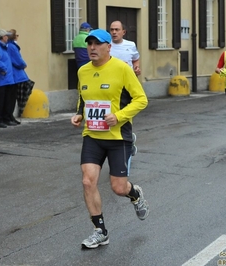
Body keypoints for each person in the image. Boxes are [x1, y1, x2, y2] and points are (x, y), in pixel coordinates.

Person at [70, 29, 149, 249]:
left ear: (108, 47)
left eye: (97, 44)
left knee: (118, 187)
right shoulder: (83, 71)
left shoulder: (122, 69)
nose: (92, 48)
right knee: (88, 181)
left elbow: (141, 100)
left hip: (118, 137)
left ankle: (135, 193)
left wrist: (119, 116)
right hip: (93, 136)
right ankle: (100, 231)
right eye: (89, 44)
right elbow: (83, 99)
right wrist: (78, 114)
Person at [109, 20, 141, 155]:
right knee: (111, 112)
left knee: (126, 111)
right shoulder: (106, 45)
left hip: (127, 84)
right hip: (111, 84)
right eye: (112, 30)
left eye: (117, 30)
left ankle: (128, 139)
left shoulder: (131, 45)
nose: (114, 32)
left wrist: (136, 67)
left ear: (123, 32)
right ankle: (115, 141)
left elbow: (136, 58)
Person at [7, 29, 29, 125]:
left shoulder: (9, 46)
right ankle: (9, 116)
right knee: (12, 97)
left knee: (12, 97)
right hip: (16, 76)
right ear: (15, 36)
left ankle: (10, 116)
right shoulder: (12, 47)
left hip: (14, 75)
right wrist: (24, 64)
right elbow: (18, 60)